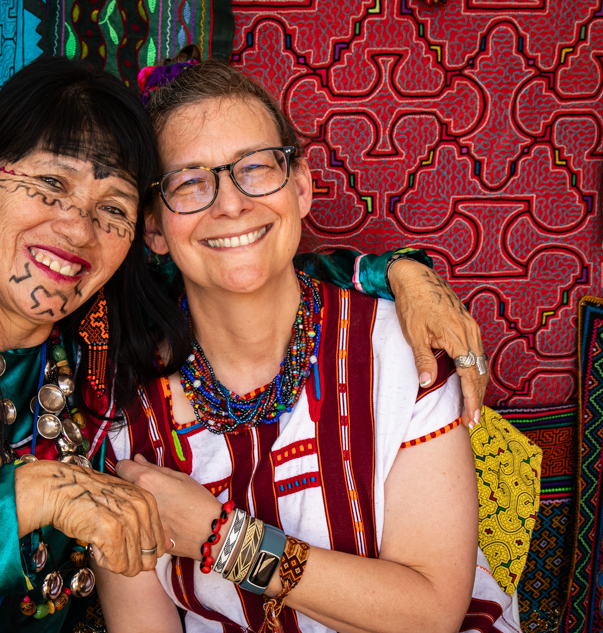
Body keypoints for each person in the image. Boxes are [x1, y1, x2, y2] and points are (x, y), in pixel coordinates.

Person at [0, 57, 486, 633]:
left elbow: (239, 260)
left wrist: (394, 271)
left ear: (135, 237)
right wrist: (33, 495)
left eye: (109, 207)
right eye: (48, 187)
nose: (74, 230)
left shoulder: (97, 345)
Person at [97, 57, 516, 633]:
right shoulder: (124, 416)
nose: (230, 203)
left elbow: (430, 614)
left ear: (299, 187)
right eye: (189, 182)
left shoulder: (400, 352)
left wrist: (227, 540)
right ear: (153, 228)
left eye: (256, 168)